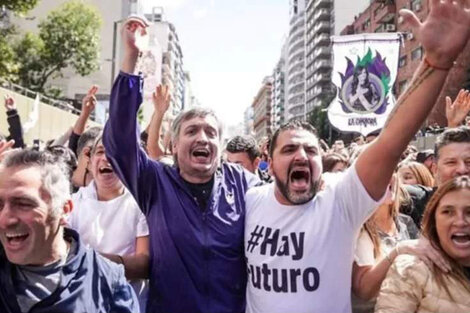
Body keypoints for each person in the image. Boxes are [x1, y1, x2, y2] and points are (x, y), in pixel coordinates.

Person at [244, 2, 470, 312]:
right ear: (268, 160)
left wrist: (436, 62)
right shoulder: (250, 201)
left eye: (311, 150)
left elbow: (391, 141)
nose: (301, 155)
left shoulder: (340, 201)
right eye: (288, 149)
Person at [103, 16, 260, 313]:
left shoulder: (244, 184)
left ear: (220, 146)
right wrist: (132, 58)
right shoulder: (154, 182)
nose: (202, 138)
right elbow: (119, 141)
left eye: (211, 133)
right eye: (191, 131)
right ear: (173, 146)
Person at [0, 149, 139, 313]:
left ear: (64, 210)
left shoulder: (107, 284)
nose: (5, 220)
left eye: (23, 204)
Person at [68, 135, 150, 311]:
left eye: (116, 152)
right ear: (89, 162)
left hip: (125, 303)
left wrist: (92, 260)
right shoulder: (72, 203)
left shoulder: (141, 204)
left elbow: (144, 262)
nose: (107, 158)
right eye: (100, 152)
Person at [375, 175, 470, 313]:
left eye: (469, 212)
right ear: (434, 221)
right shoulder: (410, 270)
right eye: (447, 212)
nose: (460, 221)